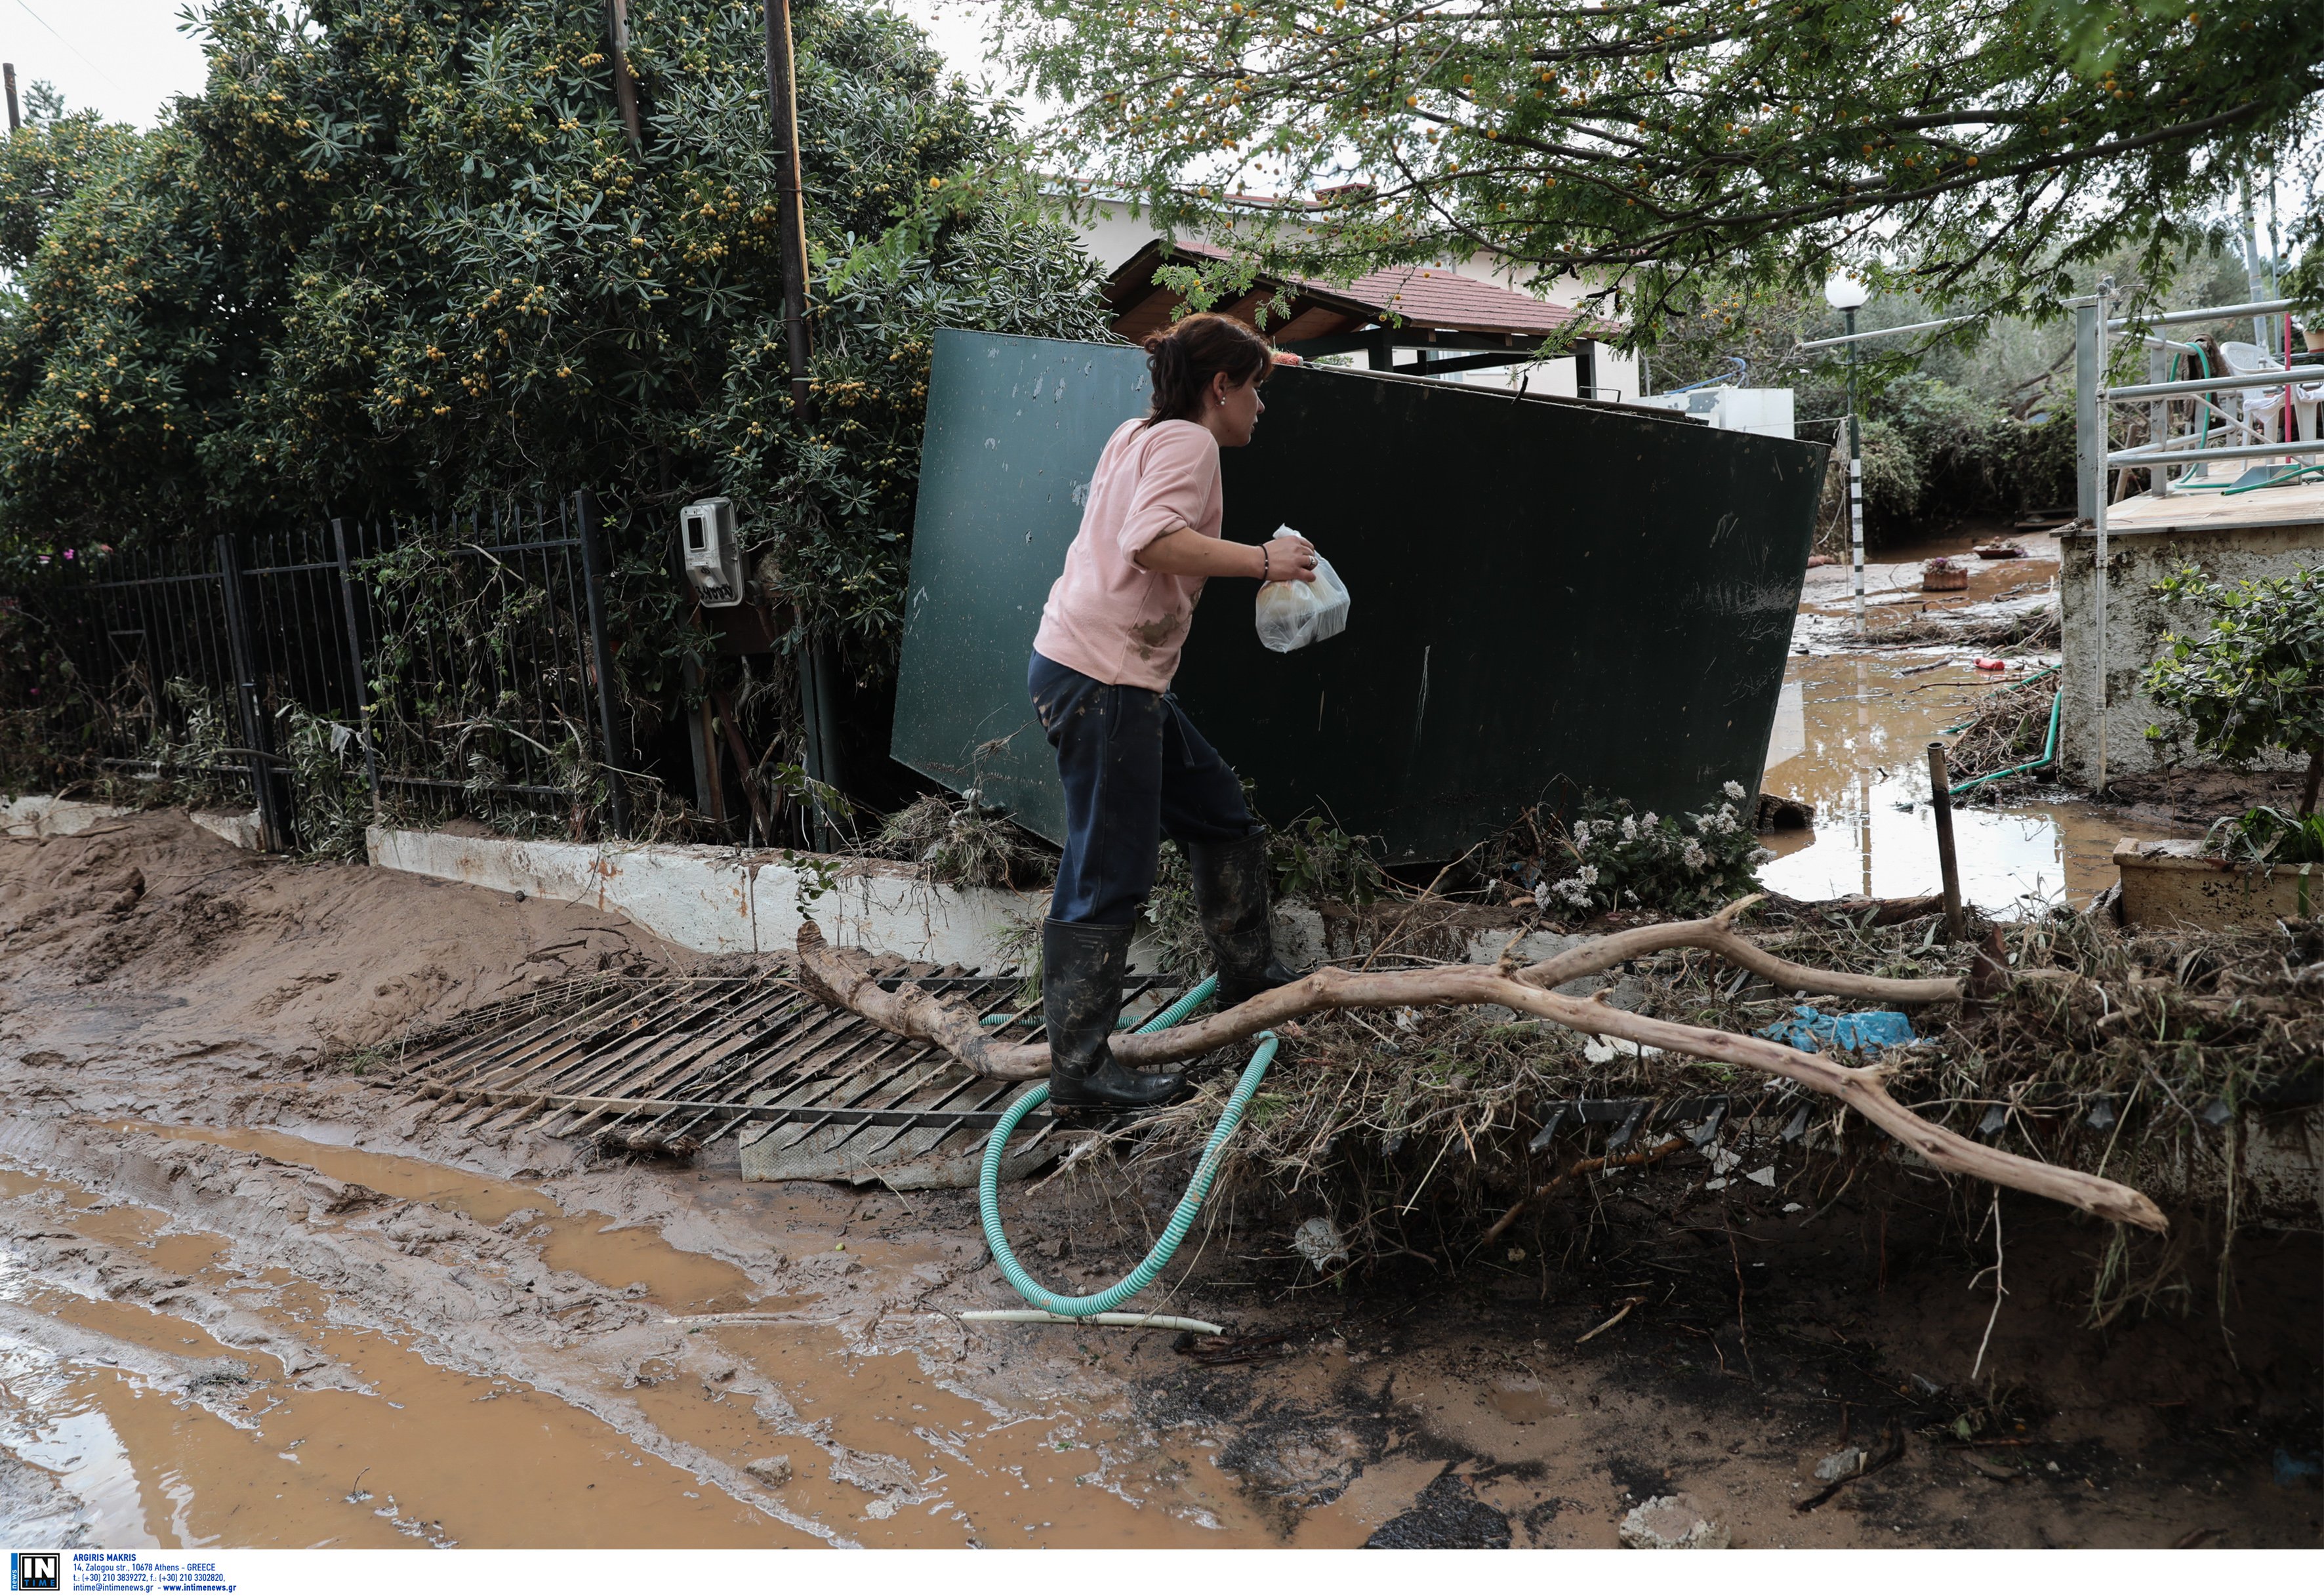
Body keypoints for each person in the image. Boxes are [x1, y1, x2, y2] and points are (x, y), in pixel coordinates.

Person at [1027, 314, 1316, 1118]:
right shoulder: (1188, 443)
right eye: (1254, 388)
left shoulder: (1138, 431)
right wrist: (1266, 560)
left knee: (1219, 813)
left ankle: (1247, 978)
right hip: (1104, 679)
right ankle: (1081, 1076)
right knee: (1107, 870)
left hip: (1091, 667)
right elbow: (1150, 541)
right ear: (1219, 387)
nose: (1261, 406)